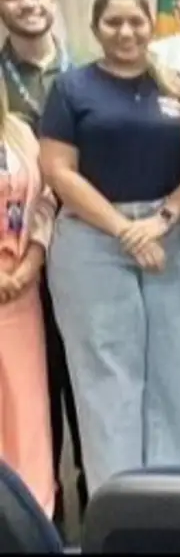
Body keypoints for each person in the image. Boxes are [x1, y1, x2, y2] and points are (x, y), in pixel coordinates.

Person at [38, 0, 180, 492]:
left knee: (177, 375)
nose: (126, 32)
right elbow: (58, 171)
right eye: (113, 23)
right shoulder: (71, 89)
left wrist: (163, 219)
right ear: (96, 29)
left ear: (150, 24)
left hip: (169, 237)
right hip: (93, 242)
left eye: (135, 21)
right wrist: (125, 230)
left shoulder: (178, 86)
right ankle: (124, 504)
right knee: (109, 380)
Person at [0, 0, 82, 518]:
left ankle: (100, 503)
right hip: (19, 273)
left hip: (85, 247)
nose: (29, 5)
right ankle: (34, 518)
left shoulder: (91, 70)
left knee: (85, 386)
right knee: (30, 394)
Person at [0, 69, 57, 513]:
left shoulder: (19, 132)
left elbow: (46, 199)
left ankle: (34, 514)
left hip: (21, 289)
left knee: (29, 406)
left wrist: (33, 259)